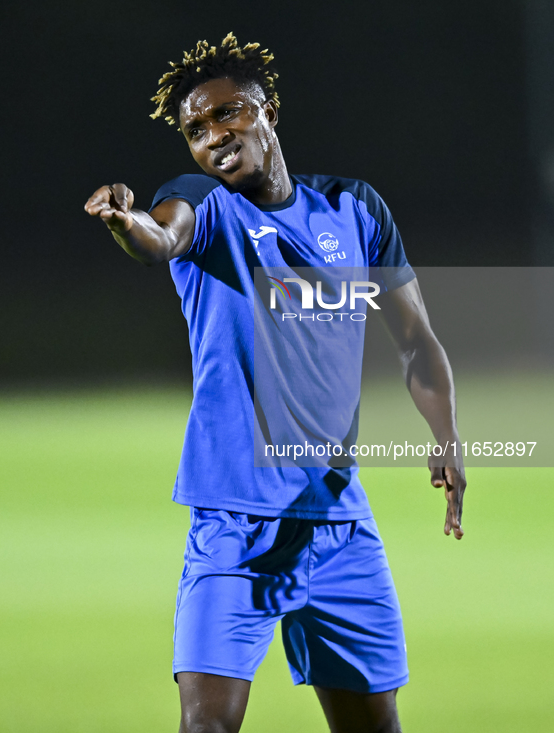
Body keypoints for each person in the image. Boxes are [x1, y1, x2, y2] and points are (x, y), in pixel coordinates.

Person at [84, 32, 466, 733]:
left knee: (374, 728)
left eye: (227, 114)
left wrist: (446, 439)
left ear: (269, 112)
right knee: (207, 727)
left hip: (337, 521)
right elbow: (160, 236)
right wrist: (124, 220)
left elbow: (416, 344)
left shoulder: (354, 210)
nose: (212, 137)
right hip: (234, 525)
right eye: (195, 130)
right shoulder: (204, 205)